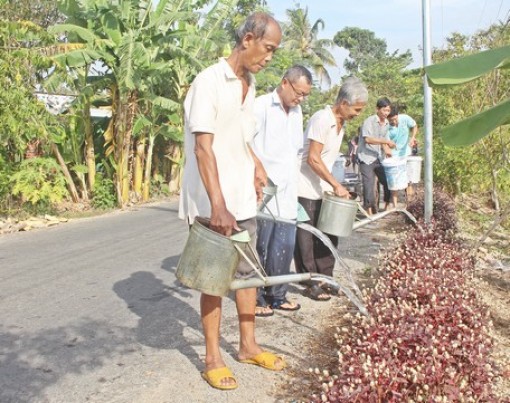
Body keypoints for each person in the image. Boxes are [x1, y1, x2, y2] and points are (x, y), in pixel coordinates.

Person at [178, 12, 284, 391]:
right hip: (213, 202)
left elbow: (241, 137)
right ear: (248, 39)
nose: (270, 57)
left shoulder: (248, 84)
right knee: (214, 278)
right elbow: (203, 148)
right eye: (268, 48)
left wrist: (255, 165)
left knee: (248, 274)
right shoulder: (209, 82)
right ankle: (212, 357)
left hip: (242, 197)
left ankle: (248, 345)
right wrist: (217, 206)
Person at [294, 76, 368, 301]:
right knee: (306, 237)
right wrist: (336, 184)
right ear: (343, 103)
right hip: (304, 186)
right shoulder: (322, 118)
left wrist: (334, 184)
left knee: (328, 233)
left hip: (323, 188)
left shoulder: (341, 125)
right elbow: (313, 159)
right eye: (356, 109)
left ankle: (326, 277)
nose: (358, 114)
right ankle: (310, 282)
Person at [251, 65, 313, 317]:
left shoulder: (297, 113)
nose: (301, 99)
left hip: (288, 191)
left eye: (305, 95)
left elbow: (295, 152)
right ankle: (255, 297)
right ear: (285, 83)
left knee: (284, 246)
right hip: (264, 190)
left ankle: (277, 295)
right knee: (261, 246)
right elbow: (244, 142)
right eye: (298, 92)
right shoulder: (261, 106)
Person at [356, 97, 396, 214]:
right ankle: (368, 210)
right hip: (366, 157)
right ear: (377, 109)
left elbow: (384, 139)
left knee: (389, 181)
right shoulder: (369, 121)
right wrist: (386, 143)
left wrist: (388, 149)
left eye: (388, 111)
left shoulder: (387, 123)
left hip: (379, 157)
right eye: (384, 110)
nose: (386, 113)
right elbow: (368, 139)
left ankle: (386, 205)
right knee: (368, 184)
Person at [387, 105, 418, 203]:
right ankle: (395, 206)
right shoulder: (386, 126)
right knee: (394, 181)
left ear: (397, 115)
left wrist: (413, 137)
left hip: (406, 153)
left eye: (395, 119)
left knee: (409, 180)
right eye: (392, 121)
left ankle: (409, 205)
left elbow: (414, 126)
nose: (394, 122)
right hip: (393, 156)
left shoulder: (405, 118)